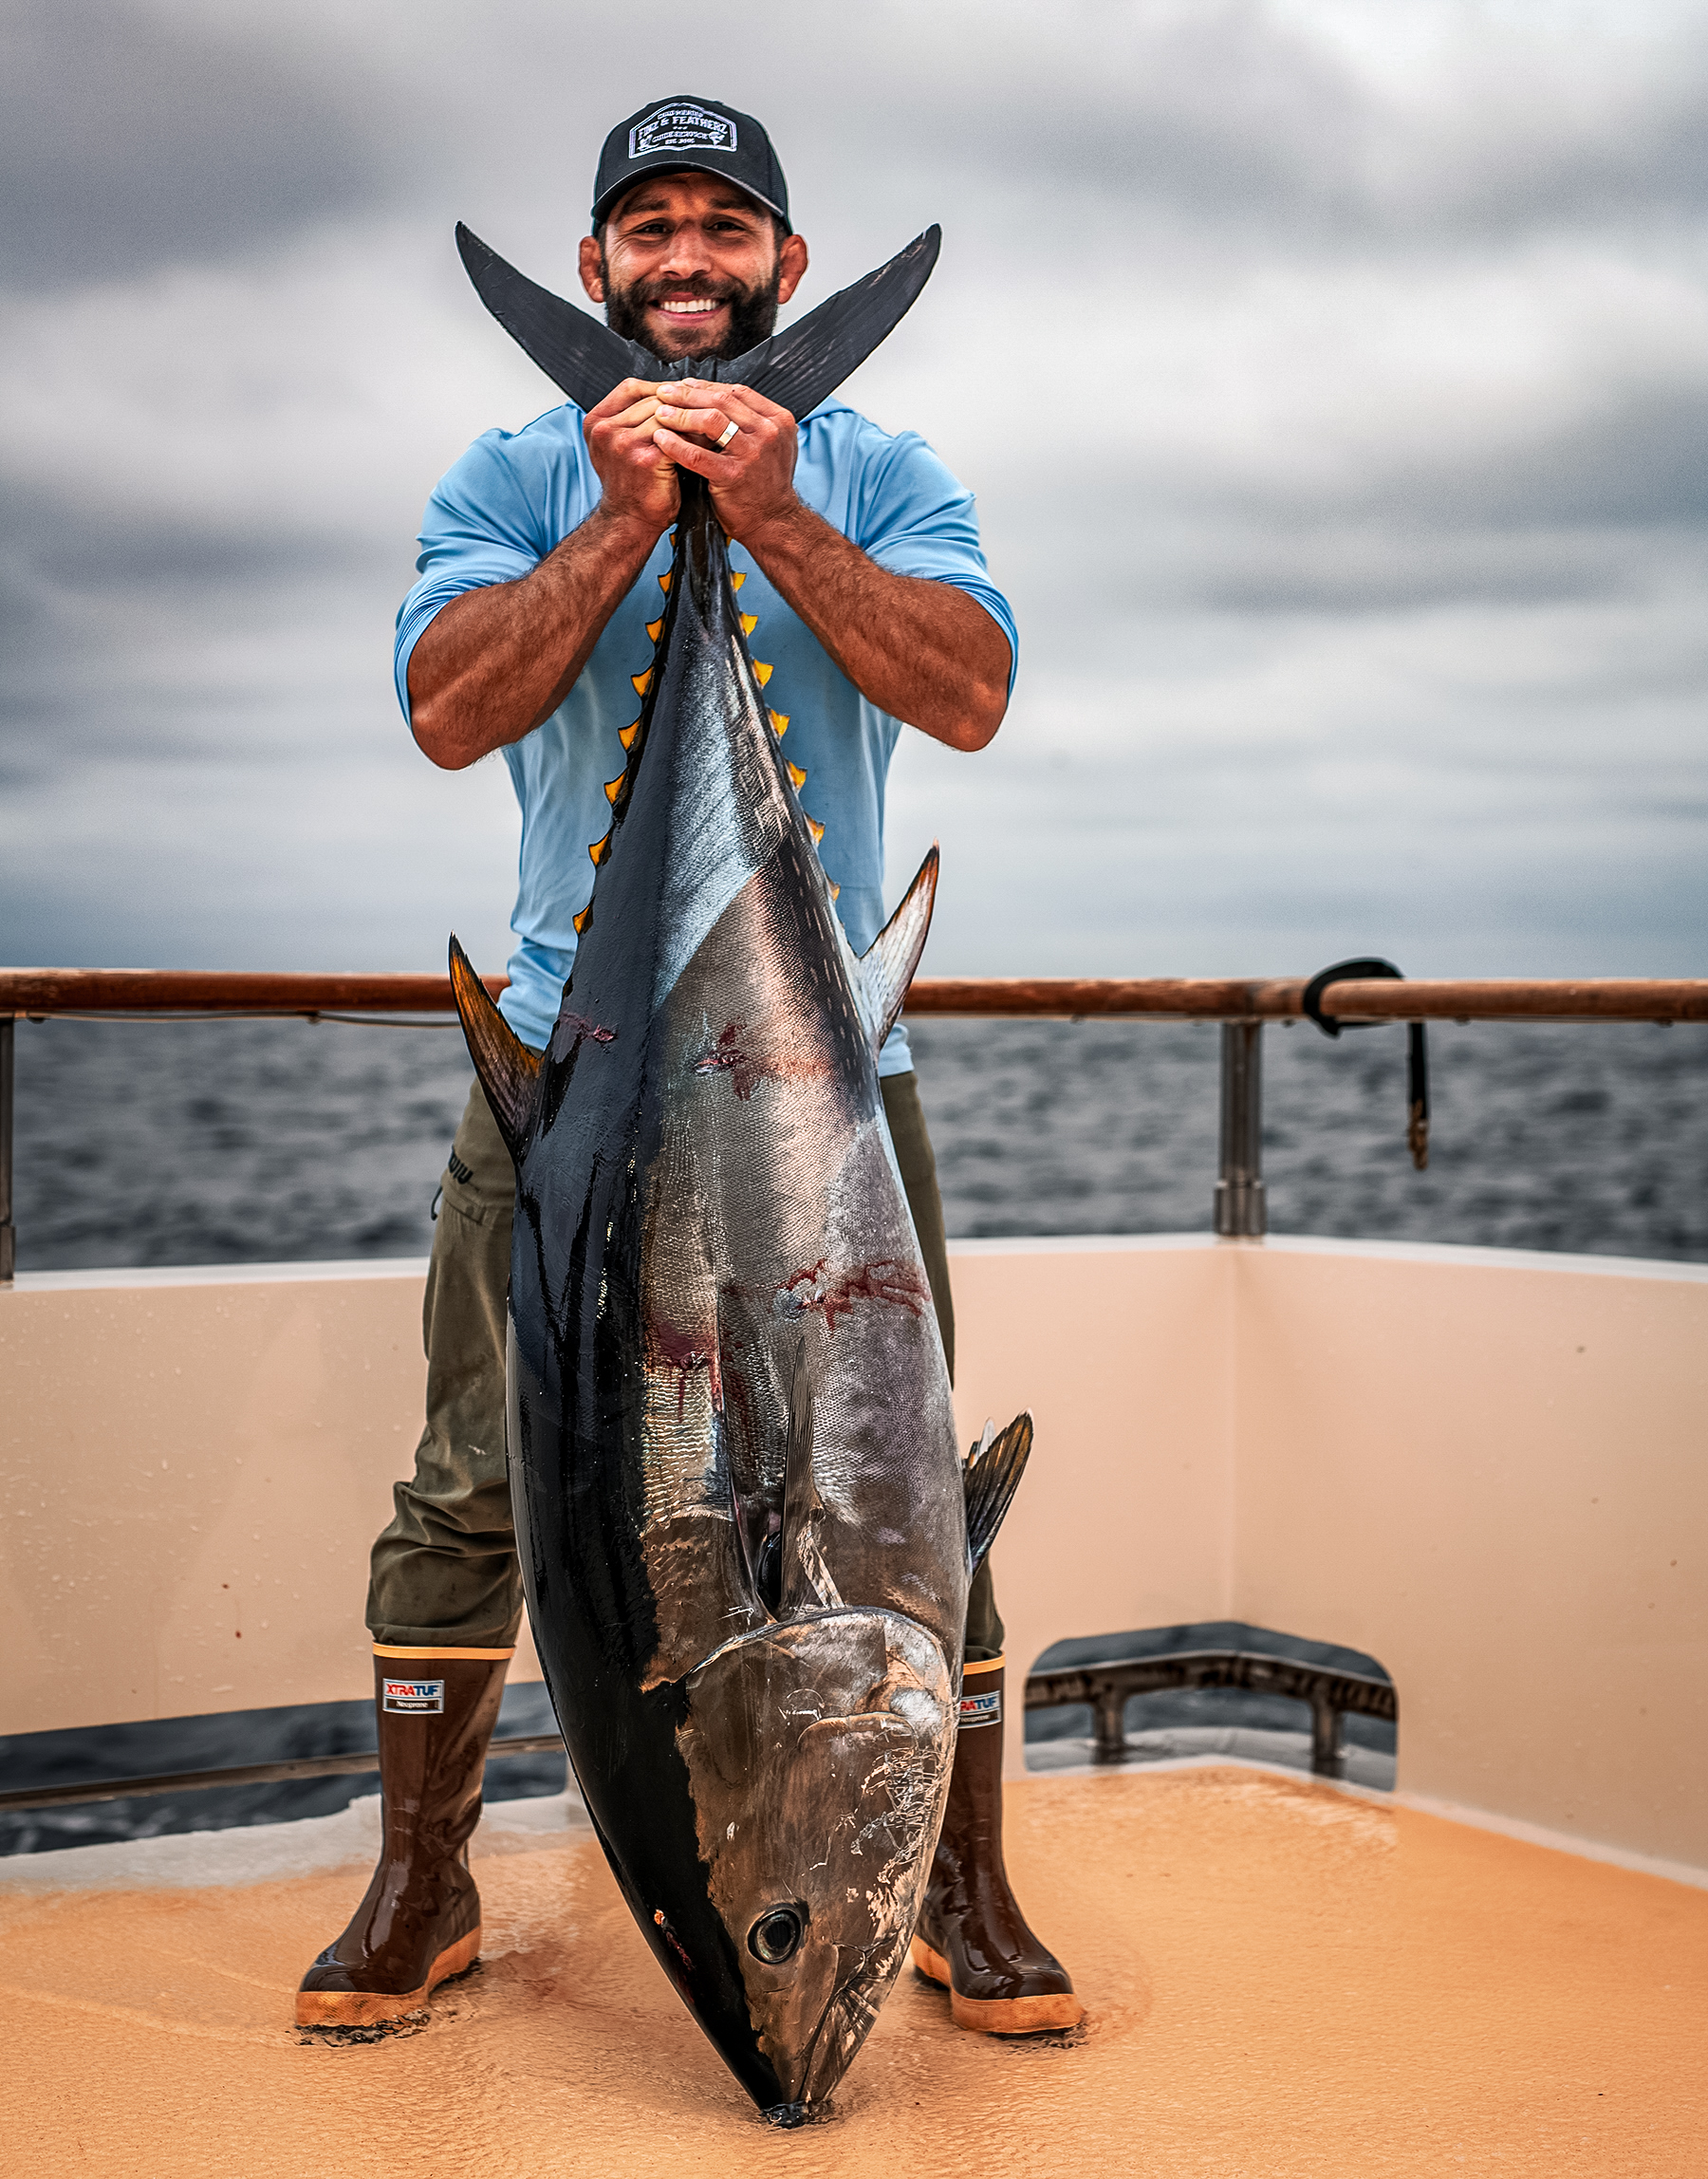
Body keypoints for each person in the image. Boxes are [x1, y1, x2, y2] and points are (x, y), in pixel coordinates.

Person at [297, 93, 1082, 2042]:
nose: (685, 260)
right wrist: (631, 513)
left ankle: (965, 1886)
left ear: (785, 265)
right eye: (648, 228)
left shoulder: (880, 464)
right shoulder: (511, 468)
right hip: (573, 1071)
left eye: (723, 228)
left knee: (893, 1480)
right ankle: (422, 1882)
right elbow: (446, 708)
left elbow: (970, 692)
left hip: (830, 1073)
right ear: (595, 267)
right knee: (475, 1476)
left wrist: (776, 509)